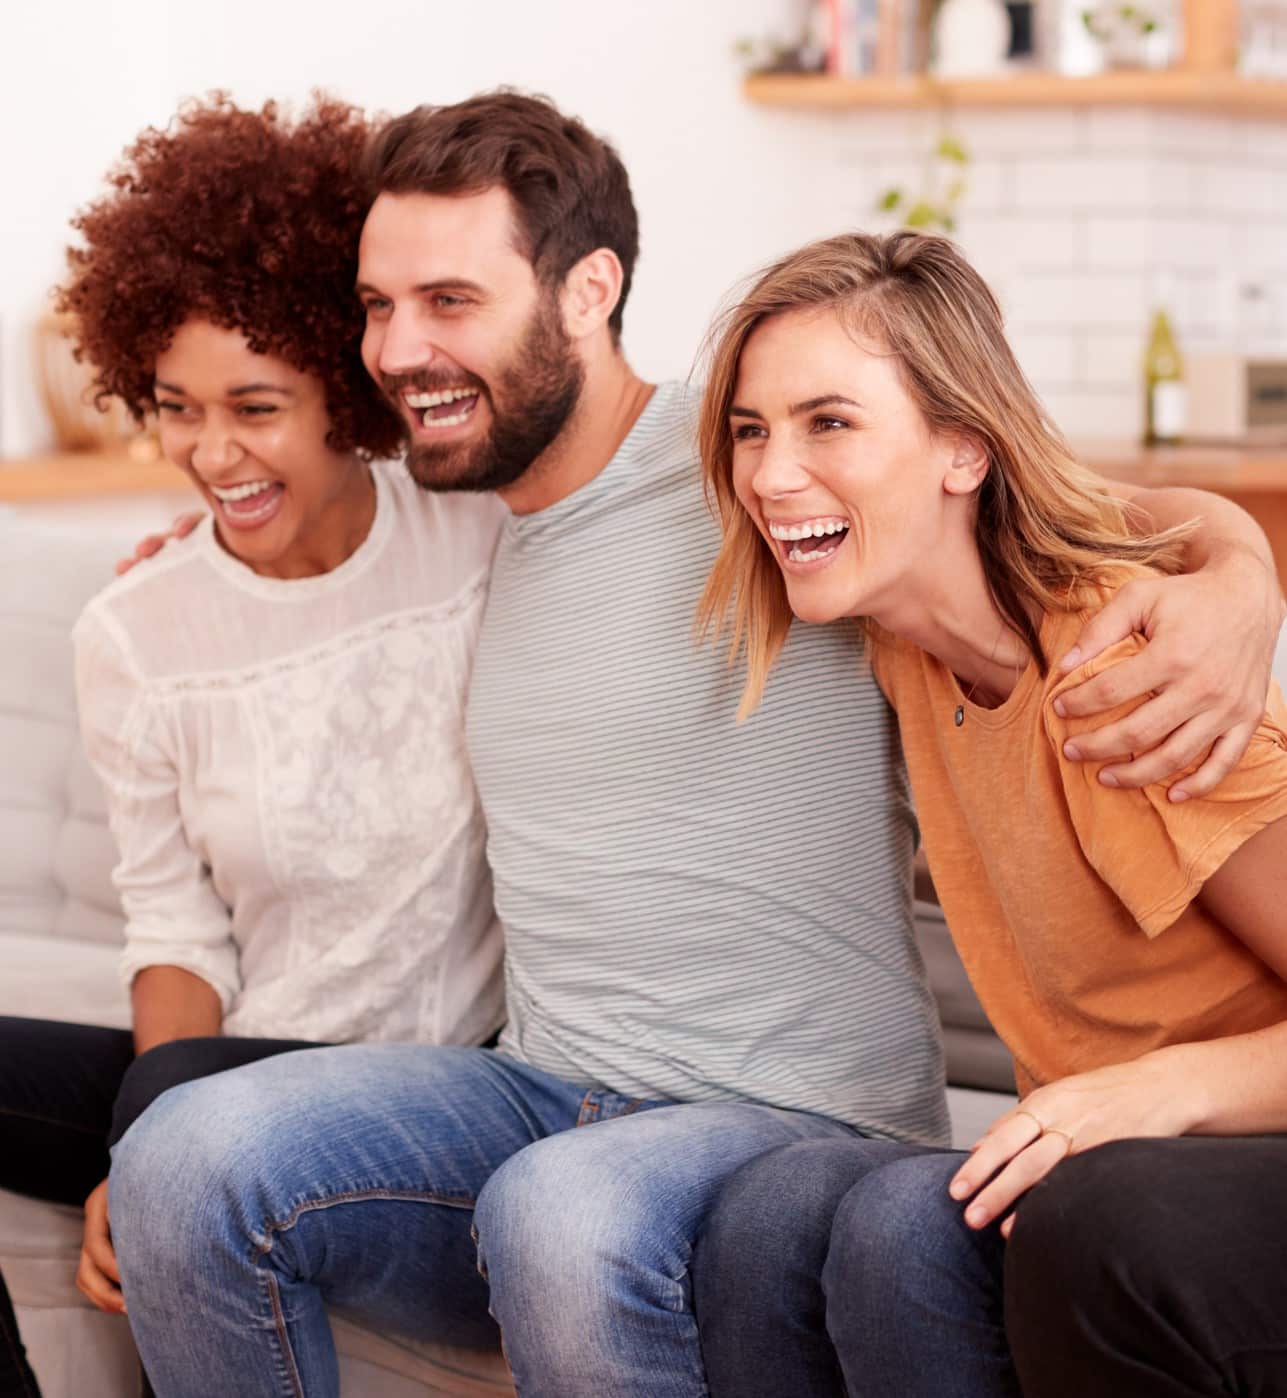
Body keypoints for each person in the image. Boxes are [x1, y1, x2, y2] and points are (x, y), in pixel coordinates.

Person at [105, 93, 1285, 1398]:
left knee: (565, 1213)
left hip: (784, 1116)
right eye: (376, 306)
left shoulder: (782, 493)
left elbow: (1064, 518)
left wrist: (1236, 582)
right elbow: (283, 518)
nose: (398, 348)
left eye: (448, 300)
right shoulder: (463, 507)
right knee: (180, 1153)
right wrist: (195, 562)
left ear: (585, 290)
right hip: (541, 1084)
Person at [693, 228, 1287, 1398]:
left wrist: (1159, 1091)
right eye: (752, 430)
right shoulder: (904, 620)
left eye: (830, 423)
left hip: (1217, 1155)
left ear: (963, 451)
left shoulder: (1136, 682)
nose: (768, 474)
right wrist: (1241, 551)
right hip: (1107, 1150)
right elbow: (1142, 504)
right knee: (769, 1215)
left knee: (945, 1227)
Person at [0, 96, 505, 1398]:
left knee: (186, 1138)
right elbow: (174, 931)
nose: (210, 453)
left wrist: (161, 1146)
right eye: (175, 406)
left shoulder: (480, 541)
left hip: (433, 1093)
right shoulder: (137, 629)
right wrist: (159, 1126)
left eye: (256, 405)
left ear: (346, 382)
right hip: (232, 1061)